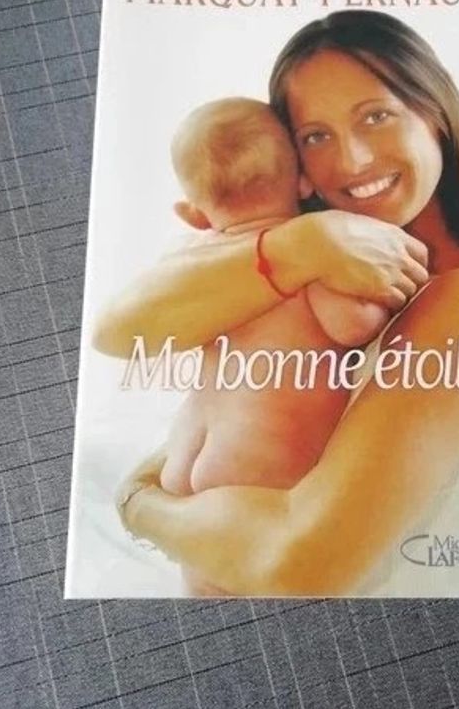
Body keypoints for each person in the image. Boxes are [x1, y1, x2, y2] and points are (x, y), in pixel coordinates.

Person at [104, 10, 459, 597]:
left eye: (376, 116)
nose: (352, 160)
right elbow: (115, 333)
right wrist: (304, 244)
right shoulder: (314, 272)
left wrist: (139, 506)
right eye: (315, 136)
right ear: (295, 160)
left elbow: (297, 567)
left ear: (435, 113)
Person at [157, 96, 389, 594]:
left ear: (192, 213)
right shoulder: (315, 254)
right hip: (257, 467)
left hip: (182, 461)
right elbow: (353, 326)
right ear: (303, 182)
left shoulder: (192, 260)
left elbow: (168, 331)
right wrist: (386, 301)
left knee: (205, 588)